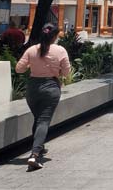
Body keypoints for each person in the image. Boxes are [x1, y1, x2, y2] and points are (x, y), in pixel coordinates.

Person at [15, 23, 71, 171]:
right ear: (54, 36)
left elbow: (19, 69)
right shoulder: (60, 50)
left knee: (39, 118)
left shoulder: (32, 50)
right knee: (43, 121)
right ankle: (34, 154)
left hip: (33, 88)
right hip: (51, 87)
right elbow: (66, 72)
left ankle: (39, 147)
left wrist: (31, 66)